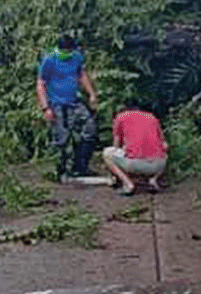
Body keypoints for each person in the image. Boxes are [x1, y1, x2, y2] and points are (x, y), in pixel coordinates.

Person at [37, 34, 99, 180]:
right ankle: (61, 171)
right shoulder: (50, 60)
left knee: (90, 129)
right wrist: (46, 108)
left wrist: (91, 94)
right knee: (62, 139)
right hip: (58, 104)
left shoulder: (76, 57)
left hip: (75, 101)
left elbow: (81, 74)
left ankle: (80, 166)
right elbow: (41, 84)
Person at [103, 100, 168, 196]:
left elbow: (116, 145)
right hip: (159, 165)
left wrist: (113, 173)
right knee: (162, 151)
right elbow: (165, 145)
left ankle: (128, 184)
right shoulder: (152, 117)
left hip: (135, 164)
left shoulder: (121, 117)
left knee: (107, 153)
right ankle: (153, 180)